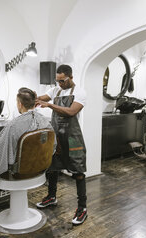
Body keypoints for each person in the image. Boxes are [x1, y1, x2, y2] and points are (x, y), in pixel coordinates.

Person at [0, 87, 55, 191]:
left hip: (18, 172)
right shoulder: (45, 122)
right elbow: (53, 146)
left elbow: (0, 149)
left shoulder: (13, 125)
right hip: (39, 168)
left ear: (20, 104)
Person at [35, 64, 88, 225]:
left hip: (72, 138)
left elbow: (71, 112)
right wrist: (29, 97)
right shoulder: (55, 91)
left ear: (71, 77)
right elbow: (40, 98)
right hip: (57, 136)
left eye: (62, 81)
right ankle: (51, 197)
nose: (60, 84)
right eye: (57, 81)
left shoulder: (80, 92)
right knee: (53, 168)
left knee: (78, 171)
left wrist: (50, 105)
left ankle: (82, 208)